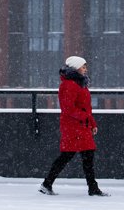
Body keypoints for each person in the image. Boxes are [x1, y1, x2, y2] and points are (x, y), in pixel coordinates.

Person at [39, 56, 109, 196]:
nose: (85, 69)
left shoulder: (79, 83)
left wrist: (91, 123)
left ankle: (91, 187)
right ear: (76, 68)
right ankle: (48, 183)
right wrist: (86, 119)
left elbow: (85, 108)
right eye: (83, 66)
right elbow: (68, 108)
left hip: (81, 126)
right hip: (73, 127)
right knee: (70, 156)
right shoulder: (69, 85)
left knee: (81, 156)